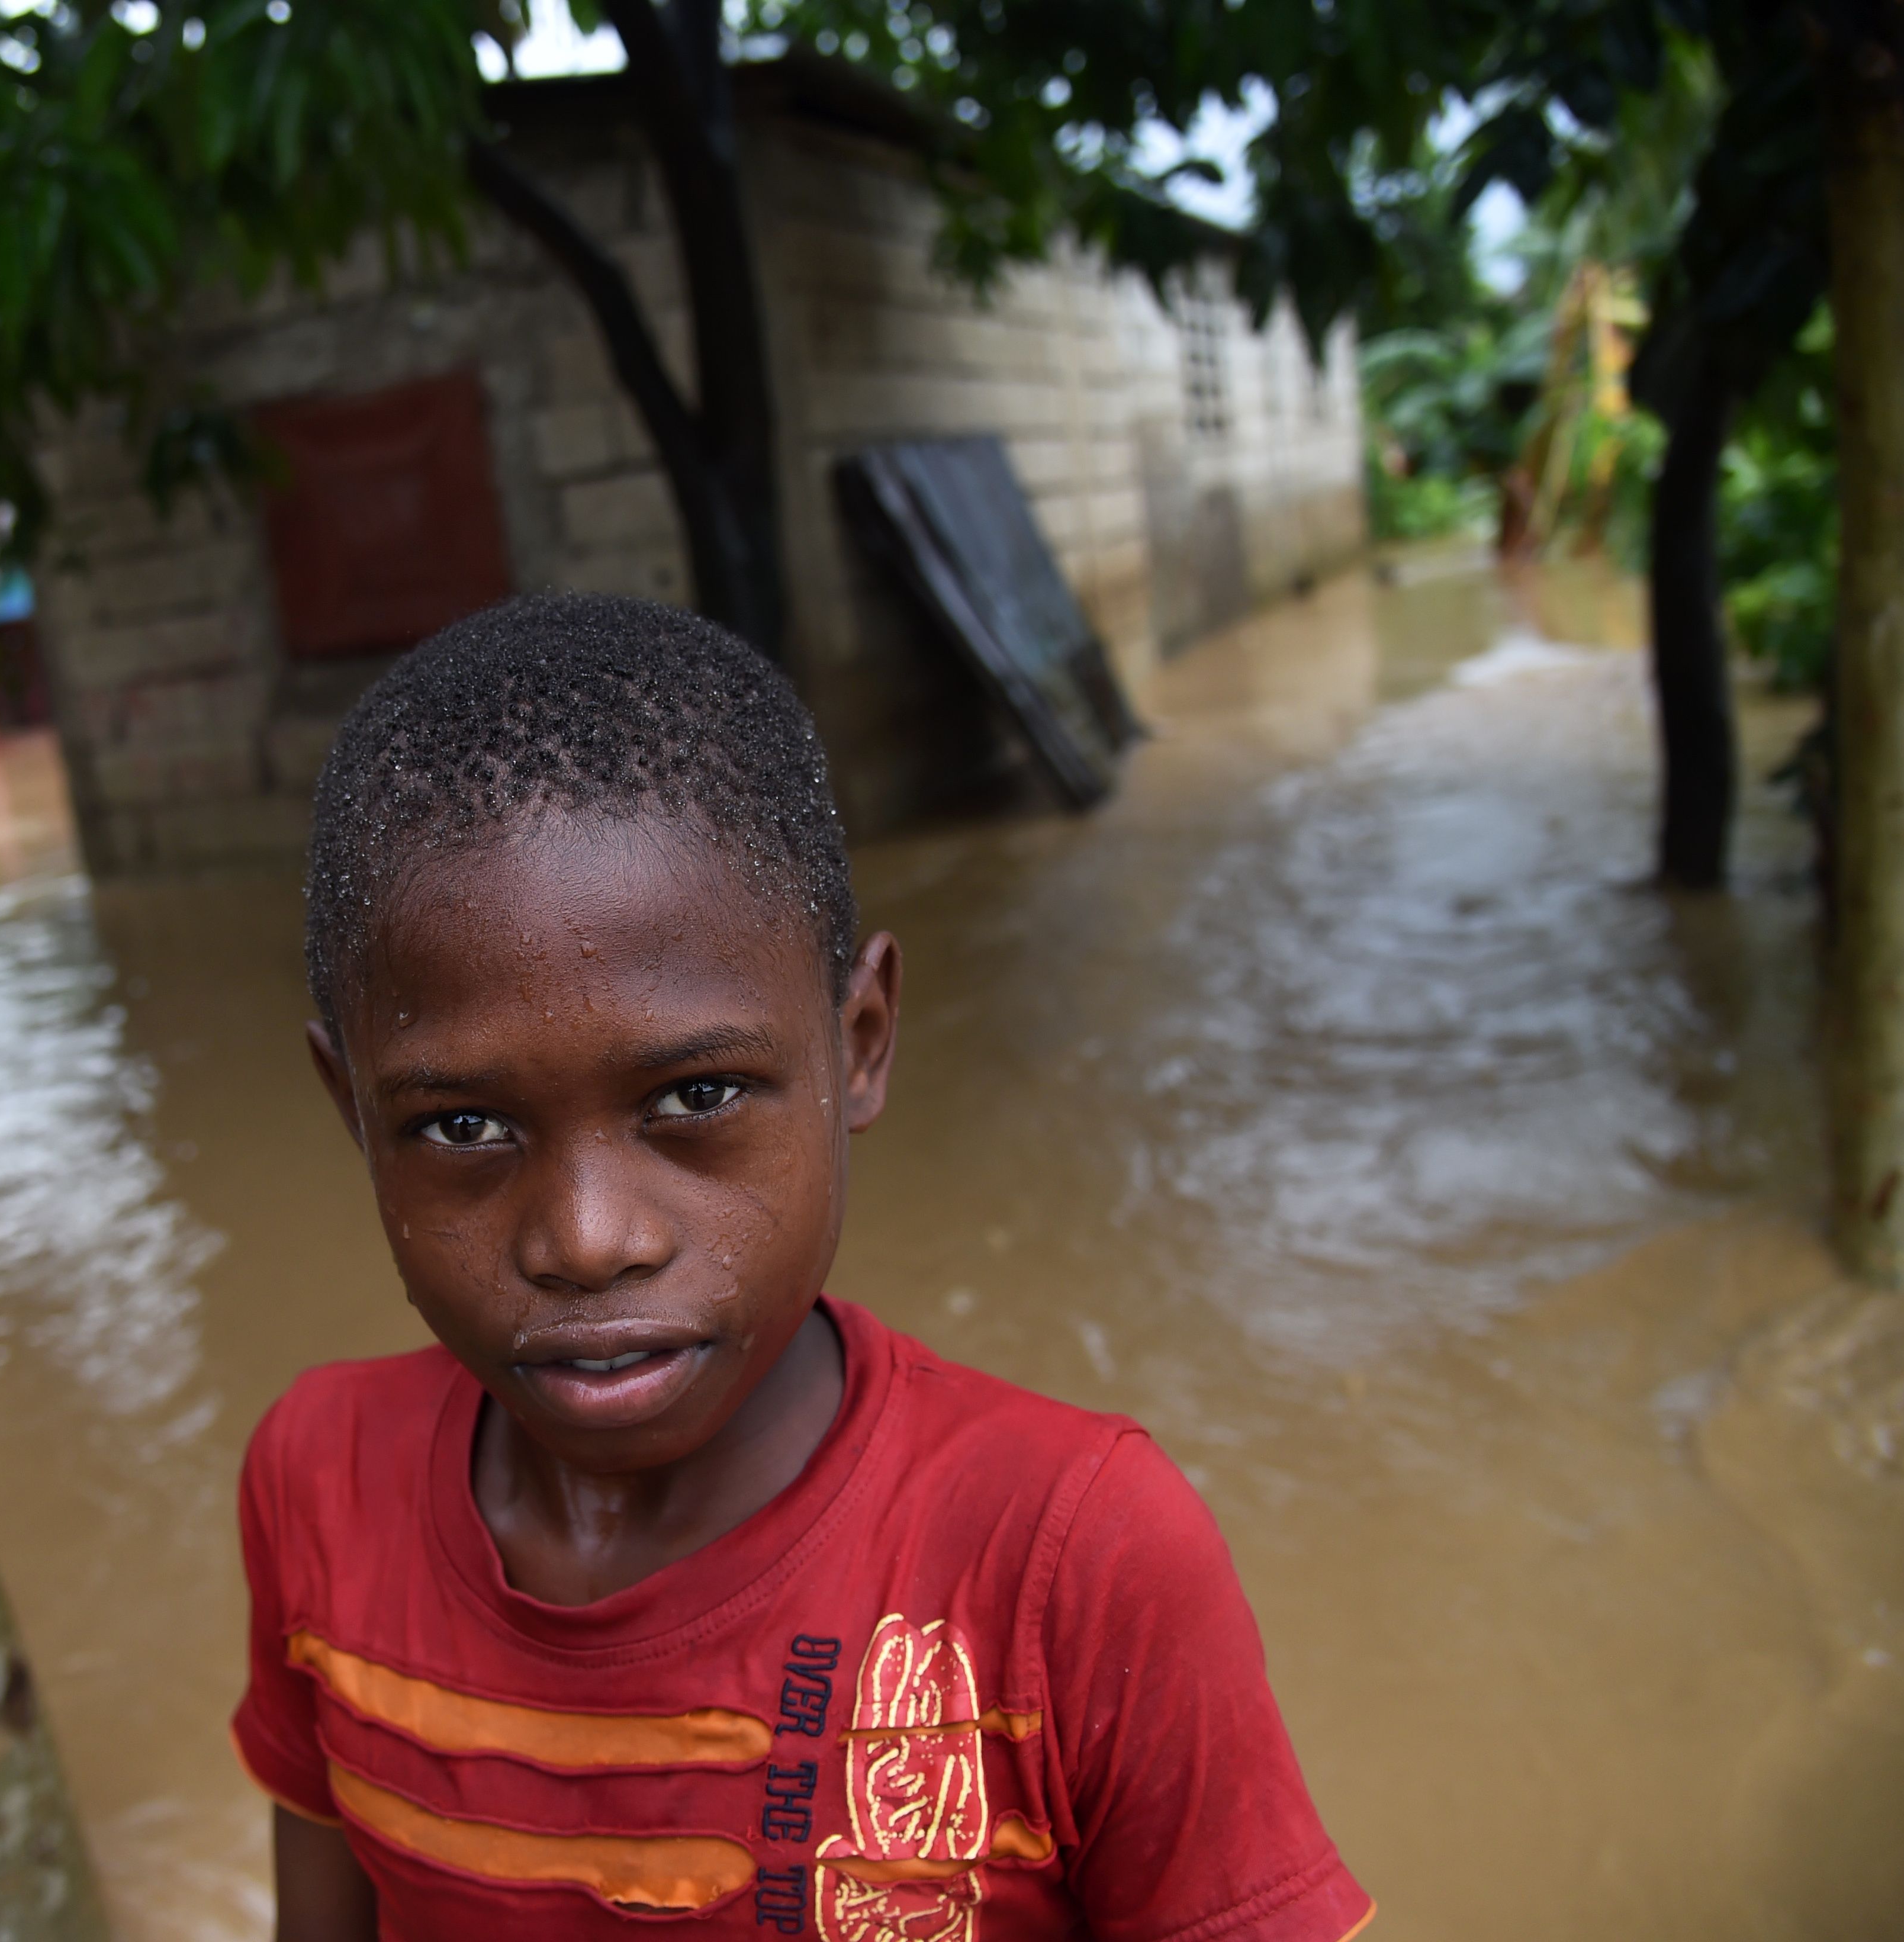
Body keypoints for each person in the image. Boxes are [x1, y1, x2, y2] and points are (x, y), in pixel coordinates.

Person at [236, 593, 1371, 1942]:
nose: (589, 1237)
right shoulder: (318, 1482)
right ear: (351, 1108)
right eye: (462, 1126)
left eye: (697, 1093)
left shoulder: (1070, 1560)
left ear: (862, 1042)